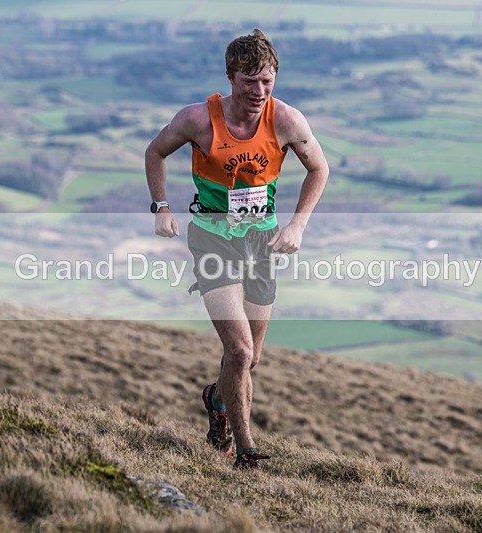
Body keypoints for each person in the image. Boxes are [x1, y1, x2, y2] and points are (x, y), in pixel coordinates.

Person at [144, 29, 329, 469]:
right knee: (241, 351)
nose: (259, 91)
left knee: (251, 359)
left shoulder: (286, 121)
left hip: (260, 242)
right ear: (231, 77)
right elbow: (155, 152)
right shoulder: (197, 119)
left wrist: (298, 224)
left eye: (267, 81)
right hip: (211, 238)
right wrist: (162, 207)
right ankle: (244, 448)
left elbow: (318, 169)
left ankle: (216, 398)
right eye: (250, 81)